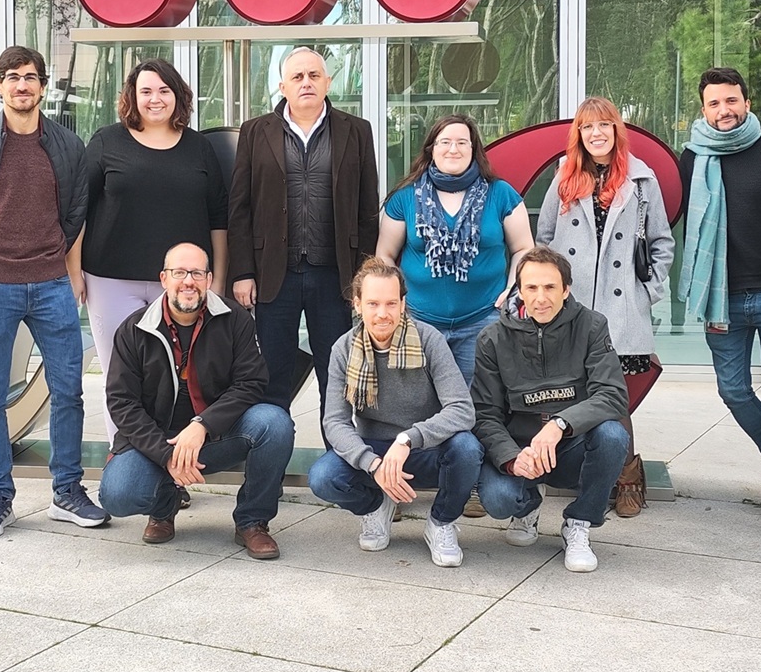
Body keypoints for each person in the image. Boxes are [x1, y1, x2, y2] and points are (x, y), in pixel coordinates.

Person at [0, 45, 108, 540]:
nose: (22, 85)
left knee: (68, 391)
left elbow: (76, 212)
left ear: (44, 86)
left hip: (52, 284)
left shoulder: (68, 145)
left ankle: (67, 492)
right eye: (12, 77)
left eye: (31, 77)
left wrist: (59, 262)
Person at [100, 241, 294, 558]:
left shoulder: (235, 319)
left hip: (216, 436)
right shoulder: (134, 330)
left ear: (208, 278)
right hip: (157, 443)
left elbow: (251, 382)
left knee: (274, 424)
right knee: (117, 495)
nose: (188, 281)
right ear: (164, 279)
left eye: (196, 273)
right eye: (179, 272)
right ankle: (164, 506)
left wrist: (202, 425)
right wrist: (166, 455)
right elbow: (122, 403)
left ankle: (252, 521)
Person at [536, 96, 673, 516]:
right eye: (587, 127)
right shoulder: (564, 177)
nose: (596, 134)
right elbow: (543, 238)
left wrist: (646, 292)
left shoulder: (641, 181)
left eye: (604, 126)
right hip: (570, 308)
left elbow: (661, 243)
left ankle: (628, 477)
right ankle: (578, 471)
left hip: (620, 310)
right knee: (567, 392)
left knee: (615, 399)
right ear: (578, 134)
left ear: (616, 130)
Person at [228, 47, 383, 414]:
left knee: (336, 374)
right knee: (272, 376)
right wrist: (243, 272)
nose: (306, 83)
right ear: (283, 86)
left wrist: (363, 278)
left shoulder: (356, 131)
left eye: (314, 76)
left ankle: (339, 464)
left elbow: (366, 210)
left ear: (328, 83)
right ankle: (271, 463)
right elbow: (240, 208)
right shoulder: (255, 132)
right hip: (272, 274)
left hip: (334, 276)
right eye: (297, 77)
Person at [675, 70, 761, 521]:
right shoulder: (692, 158)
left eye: (731, 101)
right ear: (703, 109)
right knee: (733, 390)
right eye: (714, 103)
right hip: (721, 298)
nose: (724, 110)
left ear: (746, 102)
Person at [308, 257, 482, 568]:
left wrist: (408, 439)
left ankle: (441, 522)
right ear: (357, 304)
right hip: (374, 451)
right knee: (323, 477)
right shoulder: (344, 349)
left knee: (468, 448)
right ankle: (377, 505)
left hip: (424, 449)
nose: (382, 314)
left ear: (403, 303)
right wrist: (372, 464)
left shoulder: (429, 339)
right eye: (373, 304)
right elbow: (335, 421)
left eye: (391, 303)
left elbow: (461, 409)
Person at [471, 246, 633, 573]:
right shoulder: (492, 338)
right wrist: (513, 458)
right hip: (522, 451)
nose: (540, 297)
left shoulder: (591, 326)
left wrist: (560, 424)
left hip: (571, 448)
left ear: (566, 289)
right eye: (531, 287)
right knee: (499, 500)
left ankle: (579, 522)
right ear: (519, 290)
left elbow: (614, 395)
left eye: (550, 287)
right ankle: (527, 506)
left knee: (614, 435)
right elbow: (485, 414)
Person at [72, 58, 229, 372]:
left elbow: (218, 219)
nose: (155, 99)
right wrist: (74, 272)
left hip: (181, 282)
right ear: (132, 96)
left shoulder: (199, 147)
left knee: (177, 374)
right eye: (146, 91)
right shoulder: (107, 142)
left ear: (178, 96)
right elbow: (79, 210)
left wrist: (218, 280)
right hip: (110, 280)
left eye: (164, 90)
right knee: (120, 376)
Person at [377, 113, 533, 381]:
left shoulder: (501, 194)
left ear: (474, 150)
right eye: (445, 142)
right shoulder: (404, 198)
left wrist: (513, 289)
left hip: (483, 321)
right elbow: (385, 256)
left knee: (477, 407)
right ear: (432, 149)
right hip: (419, 323)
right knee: (423, 406)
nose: (453, 149)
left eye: (462, 142)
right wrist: (395, 302)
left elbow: (523, 249)